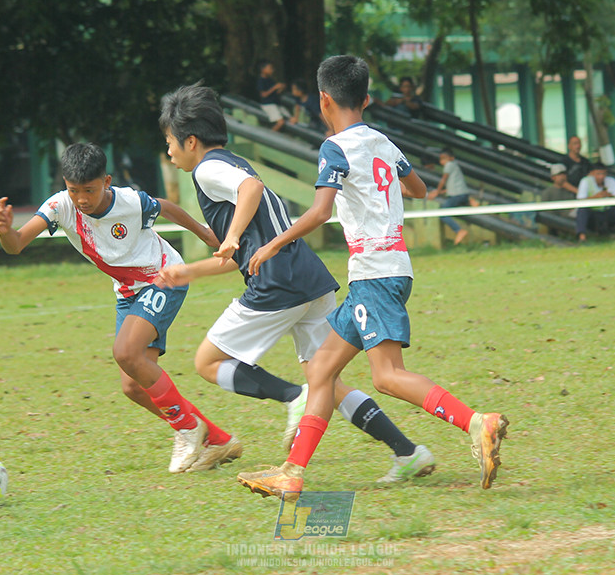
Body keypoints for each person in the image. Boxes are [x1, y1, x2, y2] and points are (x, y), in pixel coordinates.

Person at [237, 55, 508, 499]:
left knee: (386, 376)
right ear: (365, 99)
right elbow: (418, 189)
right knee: (321, 370)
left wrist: (271, 244)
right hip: (391, 269)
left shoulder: (335, 147)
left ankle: (478, 422)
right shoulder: (383, 142)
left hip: (374, 275)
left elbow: (321, 210)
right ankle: (292, 472)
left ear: (324, 99)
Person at [155, 83, 436, 483]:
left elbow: (248, 198)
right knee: (327, 379)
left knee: (207, 361)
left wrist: (231, 235)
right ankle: (408, 452)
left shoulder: (208, 169)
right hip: (306, 275)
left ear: (192, 141)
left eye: (170, 143)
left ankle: (291, 396)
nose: (169, 152)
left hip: (277, 283)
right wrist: (191, 270)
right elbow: (241, 256)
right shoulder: (234, 163)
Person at [0, 143, 241, 474]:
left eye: (89, 190)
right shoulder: (59, 206)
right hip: (127, 293)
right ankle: (217, 438)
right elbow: (17, 244)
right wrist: (6, 231)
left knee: (125, 351)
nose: (81, 199)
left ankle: (186, 429)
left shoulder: (129, 202)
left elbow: (165, 207)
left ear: (106, 181)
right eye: (73, 189)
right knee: (134, 385)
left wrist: (206, 233)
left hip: (164, 276)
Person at [426, 150, 480, 245]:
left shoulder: (449, 165)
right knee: (458, 203)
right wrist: (441, 192)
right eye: (441, 159)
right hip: (462, 193)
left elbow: (443, 180)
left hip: (456, 195)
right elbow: (452, 185)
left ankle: (458, 230)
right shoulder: (455, 166)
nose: (442, 161)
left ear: (451, 158)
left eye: (444, 158)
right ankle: (469, 201)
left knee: (443, 213)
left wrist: (437, 192)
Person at [575, 162, 615, 241]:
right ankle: (582, 238)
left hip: (608, 213)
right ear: (592, 174)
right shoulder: (585, 182)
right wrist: (596, 197)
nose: (601, 177)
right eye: (598, 174)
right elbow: (580, 200)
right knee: (582, 210)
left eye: (603, 174)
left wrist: (610, 196)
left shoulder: (611, 181)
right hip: (593, 214)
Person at [256, 60, 290, 132]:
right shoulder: (261, 81)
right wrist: (274, 88)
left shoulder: (270, 80)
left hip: (276, 104)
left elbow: (275, 93)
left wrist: (280, 88)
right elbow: (263, 94)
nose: (272, 70)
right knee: (281, 122)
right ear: (263, 69)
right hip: (268, 104)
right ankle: (270, 134)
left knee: (290, 118)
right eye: (270, 68)